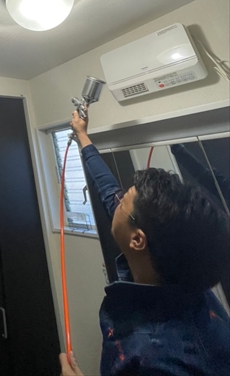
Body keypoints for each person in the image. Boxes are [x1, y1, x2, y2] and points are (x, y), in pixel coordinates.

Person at [58, 108, 230, 376]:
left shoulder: (157, 358)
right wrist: (82, 135)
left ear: (138, 239)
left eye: (122, 201)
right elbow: (107, 189)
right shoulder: (189, 285)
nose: (115, 200)